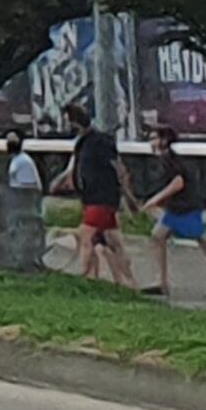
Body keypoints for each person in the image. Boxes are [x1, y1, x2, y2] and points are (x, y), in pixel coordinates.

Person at [144, 130, 206, 299]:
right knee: (157, 236)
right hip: (177, 207)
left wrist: (155, 199)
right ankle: (161, 282)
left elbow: (178, 183)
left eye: (153, 138)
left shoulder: (169, 160)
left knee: (205, 242)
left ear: (164, 140)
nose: (150, 142)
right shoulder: (167, 158)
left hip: (185, 207)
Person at [66, 112, 132, 286]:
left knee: (85, 237)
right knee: (112, 241)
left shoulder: (101, 142)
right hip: (90, 198)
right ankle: (126, 280)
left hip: (102, 198)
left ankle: (83, 277)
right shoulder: (82, 143)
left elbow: (118, 168)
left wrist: (127, 194)